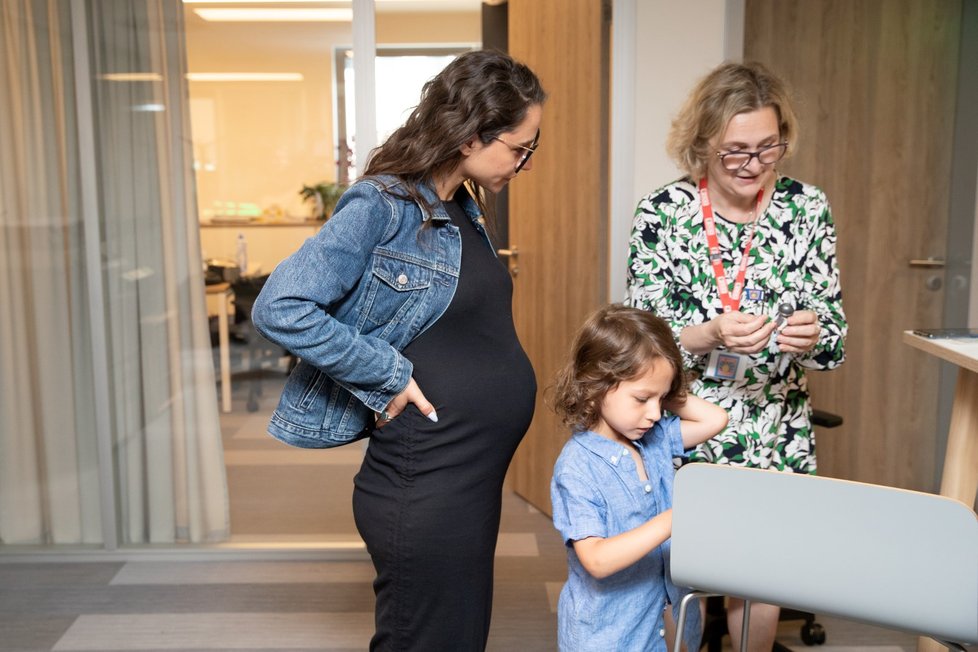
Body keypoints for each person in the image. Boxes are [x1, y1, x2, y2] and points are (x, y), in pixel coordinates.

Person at [251, 50, 546, 651]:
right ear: (470, 136)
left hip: (467, 479)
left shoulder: (461, 205)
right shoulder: (381, 205)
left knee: (456, 638)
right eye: (519, 148)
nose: (524, 162)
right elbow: (280, 305)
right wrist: (385, 373)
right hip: (425, 481)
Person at [625, 61, 847, 651]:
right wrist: (708, 334)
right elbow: (640, 339)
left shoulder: (806, 209)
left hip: (775, 425)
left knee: (761, 575)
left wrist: (812, 335)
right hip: (681, 422)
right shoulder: (663, 215)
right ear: (701, 145)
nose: (753, 166)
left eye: (767, 149)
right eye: (735, 152)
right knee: (680, 571)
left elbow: (836, 341)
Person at [549, 304, 729, 652]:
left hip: (665, 625)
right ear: (597, 385)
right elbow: (597, 560)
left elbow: (715, 420)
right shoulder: (577, 466)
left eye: (662, 399)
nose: (655, 413)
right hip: (608, 636)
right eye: (642, 398)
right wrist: (672, 520)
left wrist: (662, 388)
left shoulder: (656, 436)